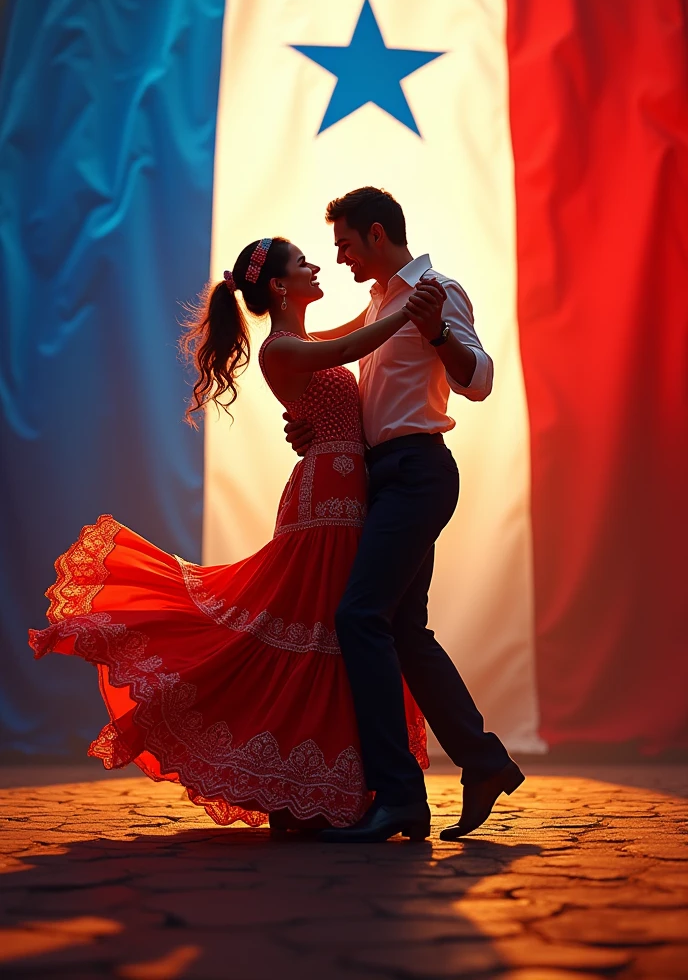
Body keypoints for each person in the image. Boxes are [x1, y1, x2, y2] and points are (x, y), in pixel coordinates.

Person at [29, 236, 430, 833]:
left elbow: (354, 329)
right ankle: (311, 786)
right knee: (315, 627)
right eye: (302, 264)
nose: (317, 266)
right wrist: (411, 310)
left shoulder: (303, 342)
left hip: (346, 490)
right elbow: (354, 343)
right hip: (325, 501)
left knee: (331, 632)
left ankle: (320, 786)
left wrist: (392, 300)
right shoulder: (281, 349)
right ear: (277, 287)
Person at [284, 188, 524, 843]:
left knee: (360, 616)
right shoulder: (377, 305)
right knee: (402, 629)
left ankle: (398, 797)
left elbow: (478, 380)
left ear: (379, 233)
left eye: (346, 245)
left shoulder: (436, 290)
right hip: (384, 475)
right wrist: (323, 430)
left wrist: (439, 330)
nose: (340, 259)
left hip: (418, 471)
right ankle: (481, 761)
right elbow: (372, 398)